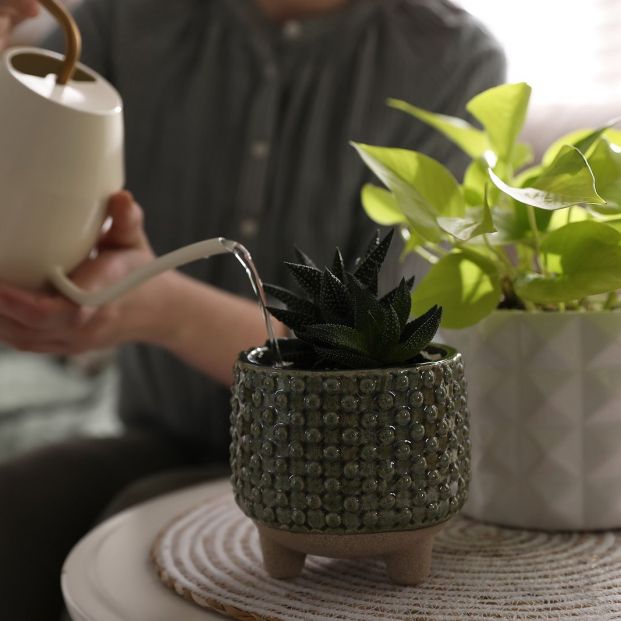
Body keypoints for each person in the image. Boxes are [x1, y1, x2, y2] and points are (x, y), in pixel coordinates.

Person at [0, 0, 505, 617]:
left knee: (130, 538)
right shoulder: (123, 19)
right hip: (159, 430)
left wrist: (164, 309)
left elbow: (391, 359)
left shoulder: (451, 60)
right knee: (20, 504)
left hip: (333, 469)